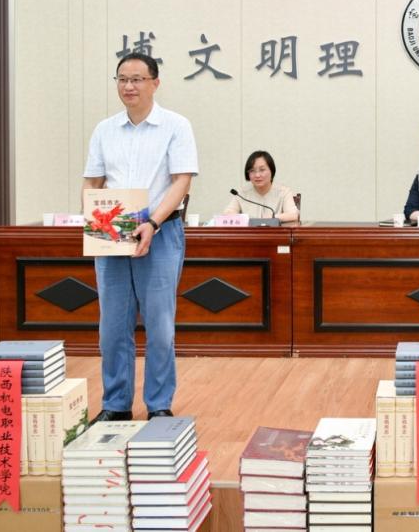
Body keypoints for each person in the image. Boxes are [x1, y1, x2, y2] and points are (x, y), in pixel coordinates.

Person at [83, 52, 198, 422]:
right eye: (122, 79)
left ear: (155, 83)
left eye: (136, 79)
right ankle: (116, 404)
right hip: (113, 231)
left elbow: (181, 181)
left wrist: (153, 222)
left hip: (160, 231)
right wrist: (94, 217)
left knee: (159, 326)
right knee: (112, 326)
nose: (128, 86)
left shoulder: (176, 125)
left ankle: (159, 404)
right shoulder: (104, 130)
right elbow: (92, 182)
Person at [223, 150, 299, 222]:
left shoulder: (283, 192)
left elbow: (293, 215)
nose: (257, 175)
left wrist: (273, 218)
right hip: (249, 231)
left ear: (271, 171)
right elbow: (227, 213)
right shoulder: (242, 193)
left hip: (275, 231)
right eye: (252, 171)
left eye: (262, 170)